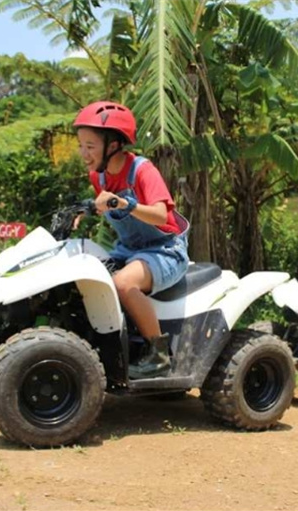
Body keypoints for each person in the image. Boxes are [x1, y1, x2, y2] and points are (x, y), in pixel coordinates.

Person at [73, 101, 189, 379]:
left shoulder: (142, 170)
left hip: (164, 251)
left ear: (113, 145)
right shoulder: (98, 177)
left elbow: (161, 216)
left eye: (90, 146)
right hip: (129, 251)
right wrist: (83, 210)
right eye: (81, 146)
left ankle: (159, 355)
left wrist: (123, 203)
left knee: (122, 284)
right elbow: (104, 204)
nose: (83, 153)